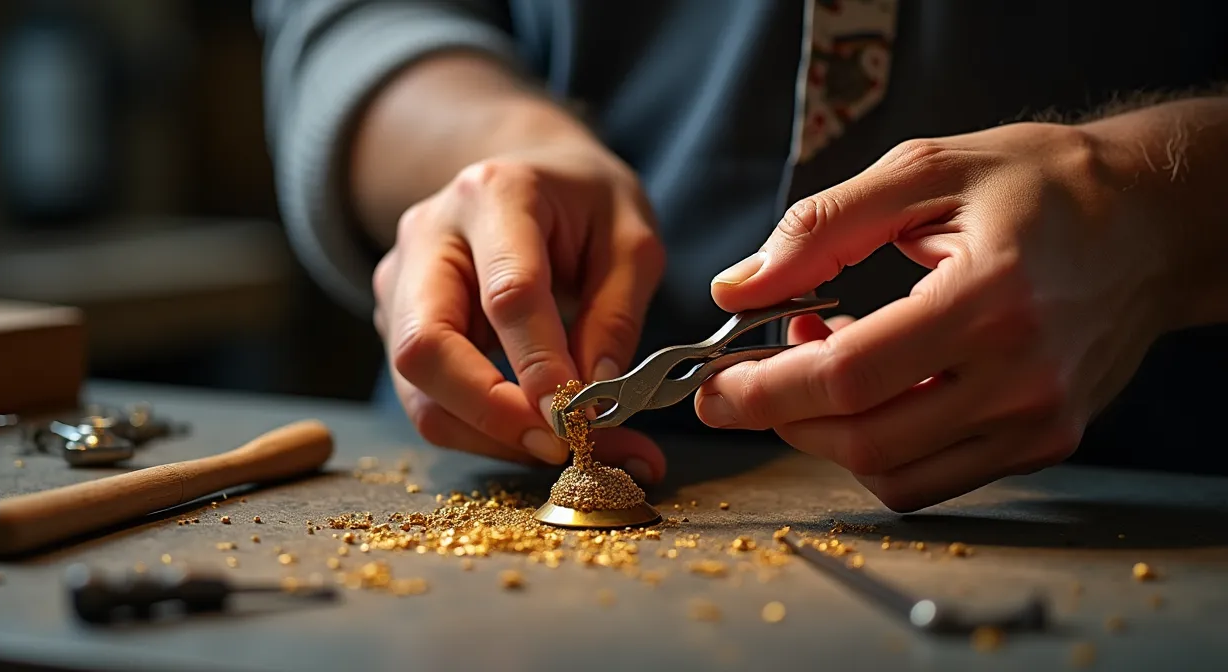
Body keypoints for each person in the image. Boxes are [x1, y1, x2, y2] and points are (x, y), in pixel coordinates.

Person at [255, 0, 1228, 511]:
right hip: (480, 472)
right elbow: (357, 14)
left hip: (1143, 500)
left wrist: (1163, 208)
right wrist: (494, 151)